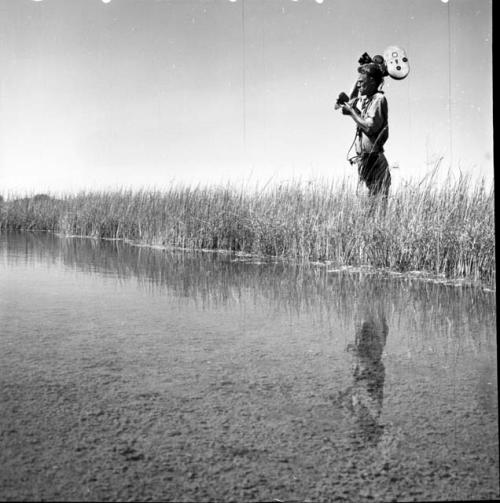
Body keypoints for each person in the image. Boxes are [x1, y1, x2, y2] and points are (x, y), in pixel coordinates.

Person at [340, 63, 391, 203]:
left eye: (362, 82)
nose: (358, 85)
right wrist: (352, 110)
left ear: (373, 81)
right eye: (358, 82)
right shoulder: (367, 100)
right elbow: (351, 101)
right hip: (365, 161)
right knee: (365, 209)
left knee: (375, 209)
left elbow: (369, 127)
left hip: (374, 161)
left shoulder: (378, 100)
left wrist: (352, 112)